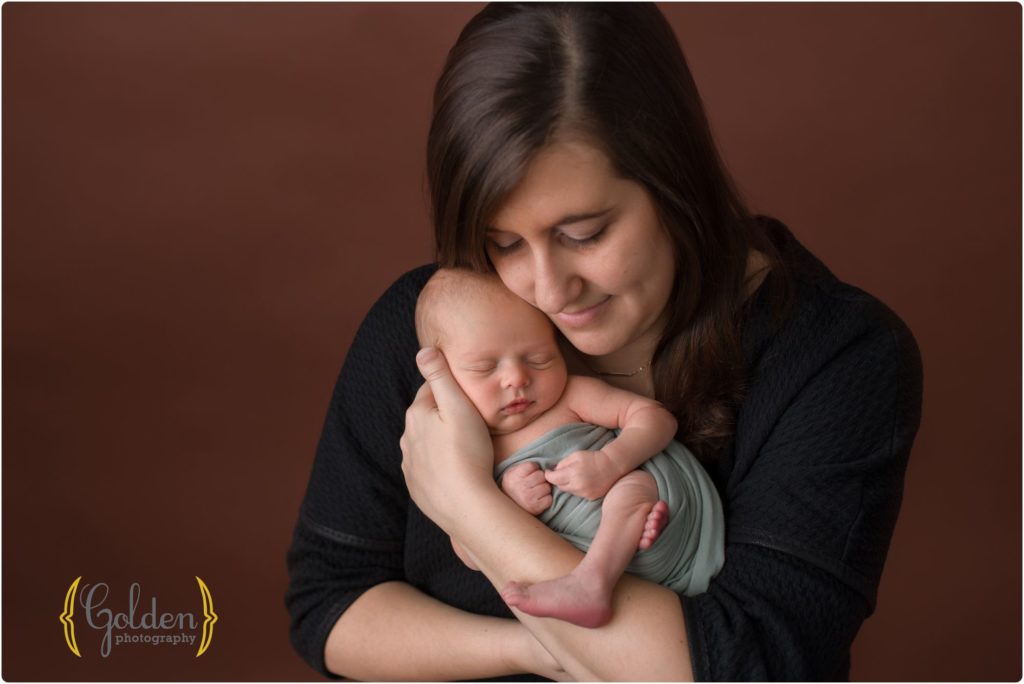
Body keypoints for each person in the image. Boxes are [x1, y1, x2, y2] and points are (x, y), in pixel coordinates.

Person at [286, 3, 923, 680]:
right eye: (503, 244)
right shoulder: (437, 331)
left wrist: (465, 503)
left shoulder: (840, 358)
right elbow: (330, 604)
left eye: (584, 234)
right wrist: (530, 649)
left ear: (678, 184)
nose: (548, 289)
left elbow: (749, 666)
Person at [413, 267, 724, 629]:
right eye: (485, 368)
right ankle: (593, 578)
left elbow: (656, 419)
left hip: (667, 521)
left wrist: (611, 461)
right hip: (601, 570)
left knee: (632, 488)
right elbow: (469, 549)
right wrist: (507, 501)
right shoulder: (463, 447)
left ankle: (593, 581)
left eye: (538, 358)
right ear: (442, 377)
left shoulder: (569, 397)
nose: (517, 378)